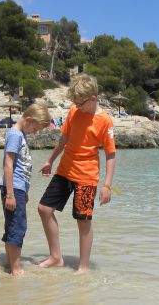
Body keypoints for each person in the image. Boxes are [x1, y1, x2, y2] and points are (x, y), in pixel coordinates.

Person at [37, 74, 117, 273]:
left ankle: (83, 268)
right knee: (44, 209)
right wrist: (49, 160)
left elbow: (110, 155)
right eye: (74, 102)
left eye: (80, 103)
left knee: (83, 220)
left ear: (93, 98)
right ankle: (56, 257)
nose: (76, 106)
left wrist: (106, 186)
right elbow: (63, 140)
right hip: (64, 170)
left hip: (87, 177)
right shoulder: (74, 111)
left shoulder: (105, 121)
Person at [0, 103, 51, 276]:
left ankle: (11, 265)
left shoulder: (20, 134)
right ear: (28, 120)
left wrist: (24, 191)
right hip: (13, 188)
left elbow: (20, 166)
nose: (35, 132)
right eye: (35, 128)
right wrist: (10, 194)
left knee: (13, 227)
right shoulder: (15, 135)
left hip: (18, 188)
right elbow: (8, 164)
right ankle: (16, 269)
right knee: (18, 228)